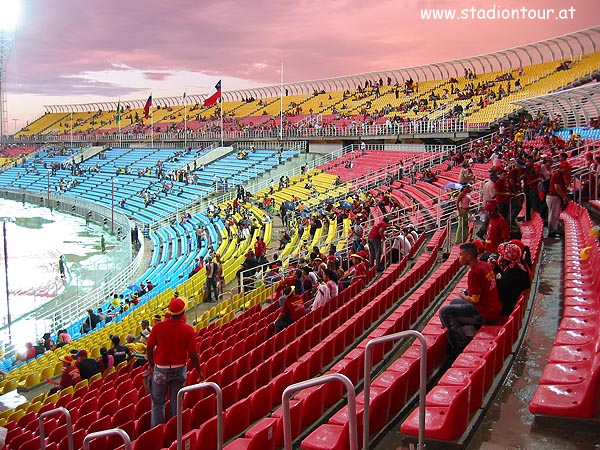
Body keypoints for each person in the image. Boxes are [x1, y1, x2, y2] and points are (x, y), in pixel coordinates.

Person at [146, 297, 203, 427]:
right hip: (179, 369)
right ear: (183, 313)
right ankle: (174, 430)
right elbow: (193, 354)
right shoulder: (188, 330)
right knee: (177, 401)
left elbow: (149, 347)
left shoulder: (158, 327)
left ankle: (157, 430)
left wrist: (151, 363)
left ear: (170, 312)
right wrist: (199, 371)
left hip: (161, 369)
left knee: (158, 402)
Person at [439, 242, 502, 356]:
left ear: (469, 257)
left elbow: (475, 300)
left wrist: (463, 295)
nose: (459, 258)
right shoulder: (485, 265)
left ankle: (459, 344)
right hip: (493, 307)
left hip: (485, 313)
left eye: (461, 255)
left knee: (444, 312)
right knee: (454, 302)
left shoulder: (474, 272)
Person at [493, 242, 531, 315]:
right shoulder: (517, 266)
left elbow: (500, 287)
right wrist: (496, 267)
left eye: (501, 255)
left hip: (505, 308)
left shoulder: (513, 272)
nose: (499, 257)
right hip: (509, 302)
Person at [546, 161, 570, 238]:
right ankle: (552, 232)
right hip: (553, 197)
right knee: (553, 215)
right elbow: (557, 187)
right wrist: (564, 197)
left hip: (554, 197)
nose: (567, 170)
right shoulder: (557, 174)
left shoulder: (560, 174)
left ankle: (553, 230)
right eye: (567, 168)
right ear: (563, 167)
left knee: (554, 215)